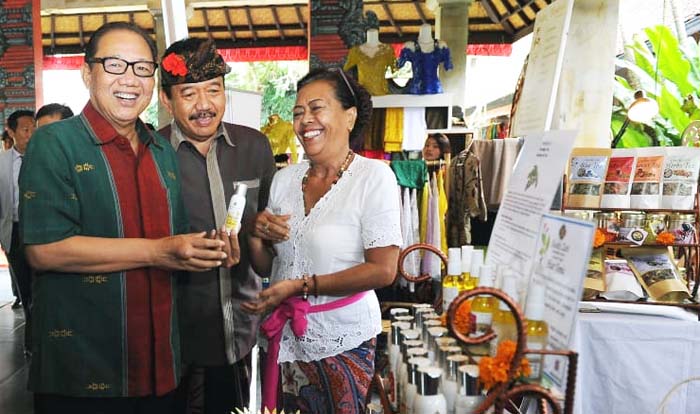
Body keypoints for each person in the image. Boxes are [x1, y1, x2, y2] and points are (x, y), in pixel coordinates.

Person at [19, 21, 229, 414]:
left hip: (162, 368)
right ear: (87, 73)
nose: (130, 79)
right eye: (115, 65)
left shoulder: (162, 151)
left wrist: (205, 250)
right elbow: (44, 251)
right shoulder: (55, 143)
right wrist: (159, 252)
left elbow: (175, 244)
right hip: (83, 374)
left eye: (142, 68)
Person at [242, 68, 402, 413]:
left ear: (350, 116)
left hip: (340, 338)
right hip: (283, 338)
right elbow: (270, 265)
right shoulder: (284, 179)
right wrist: (255, 236)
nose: (304, 121)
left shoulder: (374, 178)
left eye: (317, 108)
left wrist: (302, 286)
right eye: (298, 112)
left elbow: (383, 270)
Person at [158, 37, 276, 414]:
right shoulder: (150, 155)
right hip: (173, 336)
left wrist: (259, 232)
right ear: (166, 99)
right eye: (188, 93)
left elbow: (270, 239)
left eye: (214, 90)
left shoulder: (255, 148)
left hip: (239, 329)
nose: (204, 105)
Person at [1, 110, 35, 327]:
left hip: (42, 231)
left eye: (34, 128)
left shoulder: (45, 158)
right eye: (25, 129)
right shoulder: (2, 163)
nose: (31, 134)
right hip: (13, 231)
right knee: (23, 283)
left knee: (42, 283)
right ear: (11, 132)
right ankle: (31, 331)